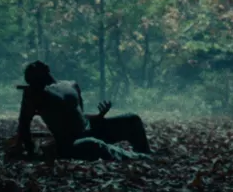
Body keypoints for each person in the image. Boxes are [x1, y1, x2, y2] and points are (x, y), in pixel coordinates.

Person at [16, 61, 152, 161]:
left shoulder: (71, 85)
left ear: (46, 69)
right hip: (71, 144)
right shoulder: (35, 95)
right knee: (93, 144)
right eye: (32, 71)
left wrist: (99, 116)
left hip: (92, 129)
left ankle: (145, 153)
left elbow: (80, 116)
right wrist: (31, 152)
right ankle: (138, 158)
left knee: (132, 119)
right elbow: (23, 126)